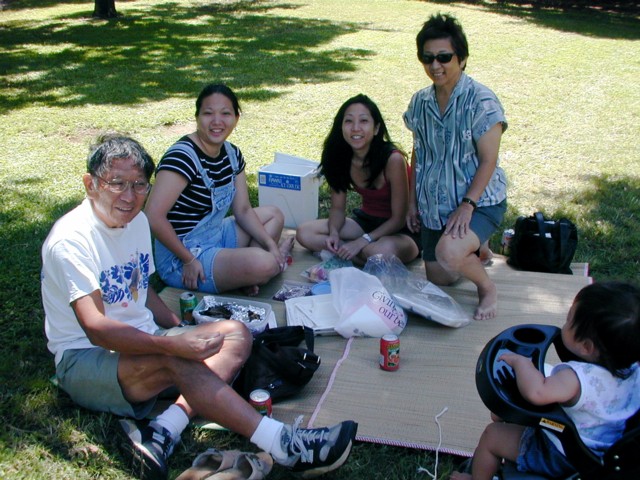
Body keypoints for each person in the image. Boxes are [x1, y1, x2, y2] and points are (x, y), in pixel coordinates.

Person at [41, 134, 358, 480]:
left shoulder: (136, 221)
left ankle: (164, 429)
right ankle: (284, 445)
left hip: (143, 340)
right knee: (178, 357)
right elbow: (96, 328)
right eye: (116, 184)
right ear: (90, 184)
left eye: (138, 185)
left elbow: (142, 289)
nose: (129, 197)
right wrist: (170, 343)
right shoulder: (70, 240)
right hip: (84, 358)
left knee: (235, 335)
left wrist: (180, 325)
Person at [450, 281, 640, 480]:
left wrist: (521, 363)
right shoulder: (634, 370)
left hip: (563, 453)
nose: (564, 324)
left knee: (493, 436)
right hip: (603, 444)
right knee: (505, 413)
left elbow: (537, 392)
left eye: (568, 321)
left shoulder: (576, 379)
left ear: (586, 347)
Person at [403, 13, 508, 320]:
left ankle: (487, 287)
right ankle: (474, 250)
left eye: (444, 57)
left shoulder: (482, 102)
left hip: (479, 202)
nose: (435, 65)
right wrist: (412, 203)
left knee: (449, 253)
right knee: (440, 276)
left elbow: (489, 160)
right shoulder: (420, 103)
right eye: (428, 58)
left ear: (461, 58)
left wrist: (467, 205)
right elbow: (418, 151)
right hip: (435, 206)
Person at [145, 84, 294, 296]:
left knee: (274, 215)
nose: (217, 122)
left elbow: (242, 210)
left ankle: (243, 271)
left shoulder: (232, 154)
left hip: (215, 235)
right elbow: (153, 216)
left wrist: (271, 245)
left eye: (225, 113)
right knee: (265, 265)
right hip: (182, 255)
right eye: (208, 114)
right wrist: (188, 259)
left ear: (236, 118)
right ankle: (249, 270)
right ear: (197, 117)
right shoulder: (182, 157)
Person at [296, 94, 420, 266]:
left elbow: (398, 218)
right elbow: (338, 209)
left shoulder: (393, 159)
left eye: (363, 121)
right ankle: (352, 253)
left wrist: (364, 240)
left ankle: (350, 254)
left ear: (376, 128)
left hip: (402, 230)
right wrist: (333, 233)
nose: (355, 128)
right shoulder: (339, 157)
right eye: (348, 121)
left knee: (377, 252)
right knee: (304, 232)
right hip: (366, 221)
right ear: (341, 126)